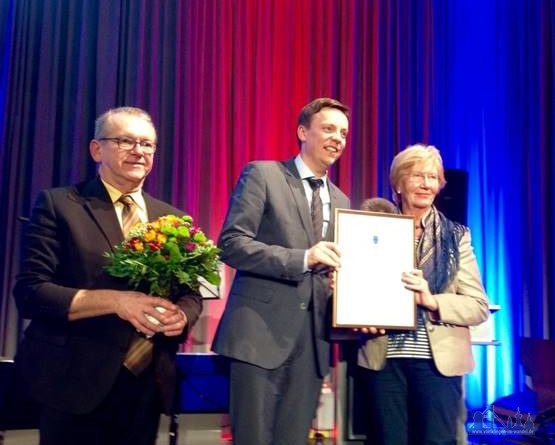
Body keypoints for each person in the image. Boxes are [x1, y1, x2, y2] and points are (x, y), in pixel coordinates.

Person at [13, 107, 203, 445]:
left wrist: (182, 317)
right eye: (125, 141)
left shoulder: (174, 218)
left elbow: (190, 294)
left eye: (147, 144)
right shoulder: (60, 204)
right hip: (72, 381)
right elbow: (32, 292)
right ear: (96, 149)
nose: (139, 151)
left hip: (146, 385)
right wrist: (117, 302)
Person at [212, 97, 351, 445]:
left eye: (344, 133)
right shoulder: (264, 174)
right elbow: (231, 243)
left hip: (313, 342)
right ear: (303, 131)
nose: (338, 138)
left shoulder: (344, 201)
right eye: (329, 129)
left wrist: (341, 284)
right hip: (259, 333)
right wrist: (303, 259)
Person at [357, 144, 489, 445]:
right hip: (383, 359)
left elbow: (478, 305)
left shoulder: (457, 236)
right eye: (417, 175)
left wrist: (432, 301)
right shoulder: (369, 228)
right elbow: (355, 288)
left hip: (438, 364)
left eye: (433, 177)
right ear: (398, 183)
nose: (427, 184)